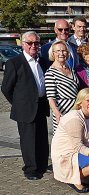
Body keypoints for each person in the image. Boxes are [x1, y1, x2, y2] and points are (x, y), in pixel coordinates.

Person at [1, 31, 50, 180]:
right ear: (23, 44)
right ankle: (30, 170)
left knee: (42, 139)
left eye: (36, 43)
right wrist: (19, 103)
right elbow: (6, 88)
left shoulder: (42, 61)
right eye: (30, 43)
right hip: (25, 109)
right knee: (28, 141)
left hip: (41, 106)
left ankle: (41, 165)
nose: (34, 46)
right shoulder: (14, 63)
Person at [51, 88, 89, 193]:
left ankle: (80, 174)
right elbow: (77, 147)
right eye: (88, 101)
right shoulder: (75, 118)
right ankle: (73, 179)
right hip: (68, 153)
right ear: (80, 102)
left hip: (82, 149)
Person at [45, 40, 80, 132]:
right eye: (58, 51)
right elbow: (50, 97)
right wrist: (56, 112)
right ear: (53, 54)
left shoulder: (71, 70)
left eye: (64, 51)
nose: (61, 53)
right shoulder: (50, 73)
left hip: (76, 111)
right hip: (63, 112)